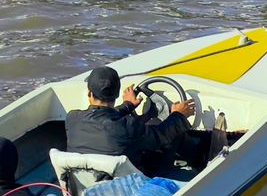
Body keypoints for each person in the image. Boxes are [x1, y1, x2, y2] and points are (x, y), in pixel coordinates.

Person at [65, 66, 195, 174]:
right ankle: (198, 162)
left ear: (90, 94)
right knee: (169, 135)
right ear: (117, 95)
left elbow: (102, 116)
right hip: (125, 189)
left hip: (86, 184)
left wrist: (128, 106)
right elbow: (161, 136)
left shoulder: (72, 119)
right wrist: (179, 115)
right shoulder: (127, 127)